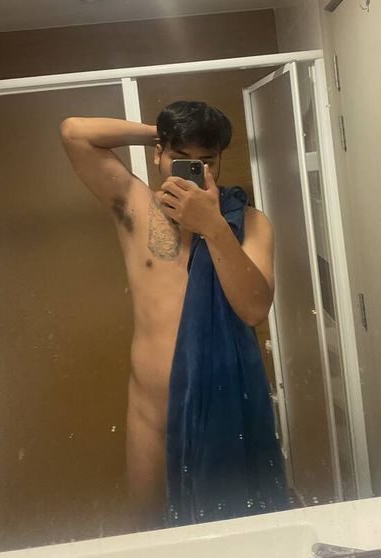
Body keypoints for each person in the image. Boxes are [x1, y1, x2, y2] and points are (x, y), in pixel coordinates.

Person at [60, 101, 289, 528]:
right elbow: (75, 131)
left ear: (220, 161)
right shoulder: (135, 206)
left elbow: (254, 308)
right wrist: (163, 131)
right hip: (152, 418)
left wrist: (213, 227)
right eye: (181, 158)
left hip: (224, 415)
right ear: (158, 155)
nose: (194, 171)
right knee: (149, 534)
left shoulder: (249, 223)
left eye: (206, 161)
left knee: (235, 536)